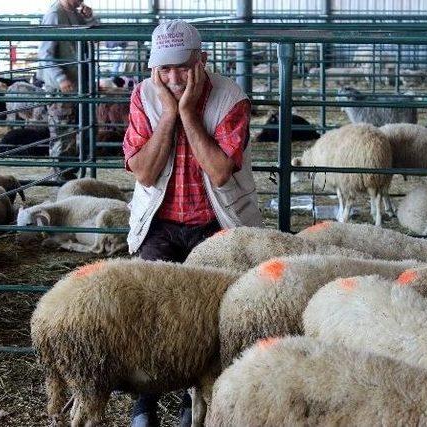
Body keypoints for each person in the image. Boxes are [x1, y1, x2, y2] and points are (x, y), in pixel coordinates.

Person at [122, 20, 262, 427]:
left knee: (210, 315)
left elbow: (219, 171)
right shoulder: (144, 97)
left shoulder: (230, 98)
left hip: (216, 222)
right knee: (151, 309)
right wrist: (169, 112)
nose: (172, 78)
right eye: (163, 70)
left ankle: (194, 400)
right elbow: (144, 174)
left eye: (181, 67)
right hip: (160, 222)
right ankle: (145, 403)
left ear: (202, 60)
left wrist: (187, 112)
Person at [37, 0, 98, 181]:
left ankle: (71, 173)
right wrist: (60, 78)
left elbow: (90, 39)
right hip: (62, 87)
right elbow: (45, 54)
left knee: (79, 130)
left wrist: (89, 19)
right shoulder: (55, 14)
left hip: (78, 84)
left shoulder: (75, 12)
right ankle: (62, 176)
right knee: (63, 132)